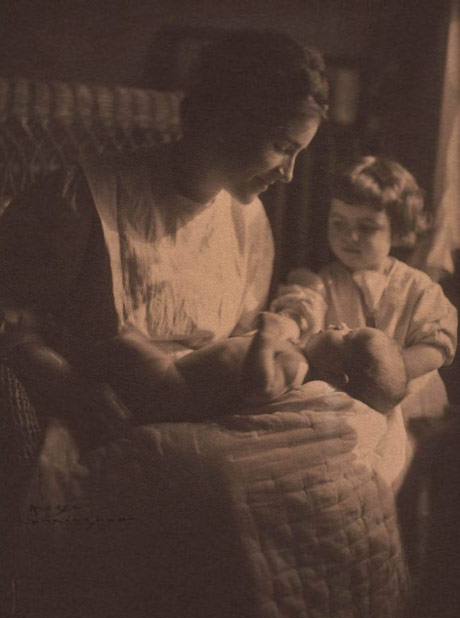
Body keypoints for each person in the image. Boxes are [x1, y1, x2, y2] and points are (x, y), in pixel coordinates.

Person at [0, 29, 329, 451]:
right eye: (282, 147)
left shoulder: (248, 221)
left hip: (203, 432)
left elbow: (241, 341)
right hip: (91, 428)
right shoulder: (80, 199)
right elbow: (9, 326)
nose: (289, 174)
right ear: (227, 119)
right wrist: (69, 389)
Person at [270, 156, 457, 415]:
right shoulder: (322, 284)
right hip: (345, 401)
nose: (350, 236)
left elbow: (436, 346)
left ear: (398, 229)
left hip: (410, 403)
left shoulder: (418, 287)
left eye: (367, 227)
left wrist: (387, 374)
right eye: (339, 223)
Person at [101, 312, 408, 421]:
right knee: (128, 345)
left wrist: (267, 335)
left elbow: (259, 385)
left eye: (347, 334)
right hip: (177, 373)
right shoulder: (295, 352)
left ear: (333, 374)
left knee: (121, 342)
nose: (339, 323)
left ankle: (70, 373)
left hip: (174, 385)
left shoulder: (296, 367)